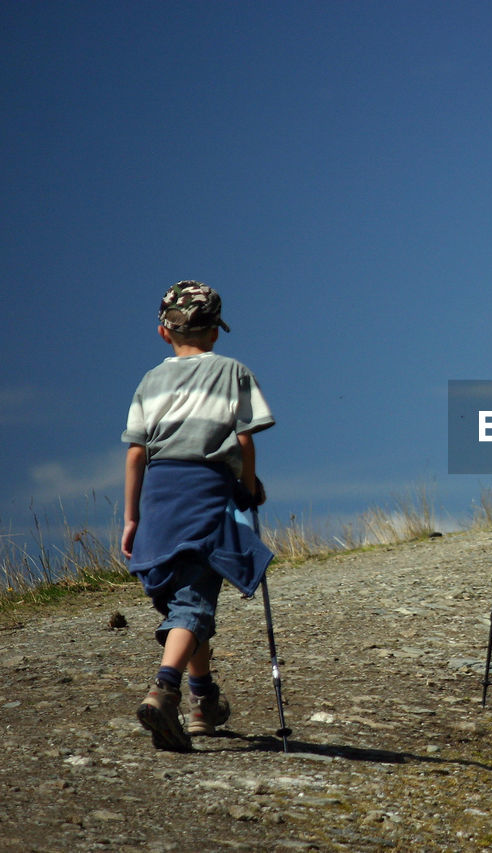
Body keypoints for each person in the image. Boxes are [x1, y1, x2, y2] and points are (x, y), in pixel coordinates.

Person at [121, 281, 275, 752]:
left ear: (164, 333)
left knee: (181, 601)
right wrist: (249, 487)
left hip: (159, 499)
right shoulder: (234, 372)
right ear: (215, 333)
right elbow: (245, 439)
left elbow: (135, 455)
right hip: (205, 494)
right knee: (195, 603)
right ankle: (164, 690)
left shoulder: (150, 381)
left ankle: (203, 702)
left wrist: (131, 519)